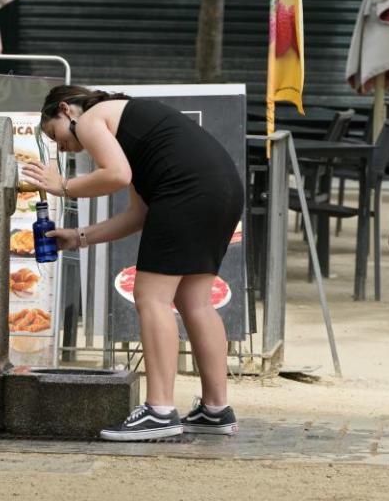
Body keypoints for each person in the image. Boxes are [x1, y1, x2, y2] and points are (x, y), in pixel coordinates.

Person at [23, 86, 244, 442]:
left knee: (151, 297)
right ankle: (216, 410)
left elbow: (117, 176)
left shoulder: (94, 117)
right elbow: (138, 214)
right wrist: (79, 236)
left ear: (67, 110)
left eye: (54, 134)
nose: (59, 146)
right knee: (195, 301)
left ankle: (159, 410)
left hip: (188, 191)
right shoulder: (130, 127)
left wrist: (63, 185)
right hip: (222, 188)